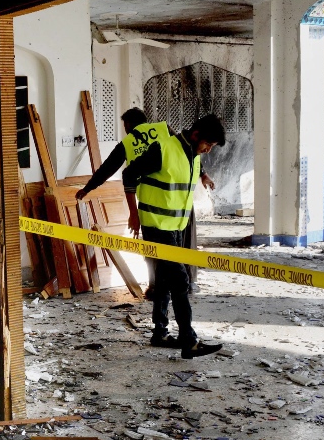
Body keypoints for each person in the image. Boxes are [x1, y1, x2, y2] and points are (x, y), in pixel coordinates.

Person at [76, 109, 213, 297]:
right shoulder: (164, 128)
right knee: (184, 247)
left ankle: (158, 288)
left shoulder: (128, 142)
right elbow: (189, 151)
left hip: (153, 207)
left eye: (126, 127)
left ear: (129, 125)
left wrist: (87, 188)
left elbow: (107, 169)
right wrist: (203, 174)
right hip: (181, 204)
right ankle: (186, 284)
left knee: (153, 251)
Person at [123, 114, 226, 358]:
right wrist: (133, 214)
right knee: (180, 281)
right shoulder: (163, 149)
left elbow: (192, 167)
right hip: (157, 225)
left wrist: (204, 176)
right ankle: (189, 341)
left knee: (163, 279)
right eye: (207, 145)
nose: (207, 150)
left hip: (175, 226)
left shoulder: (191, 154)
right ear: (195, 135)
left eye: (211, 148)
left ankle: (160, 332)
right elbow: (129, 174)